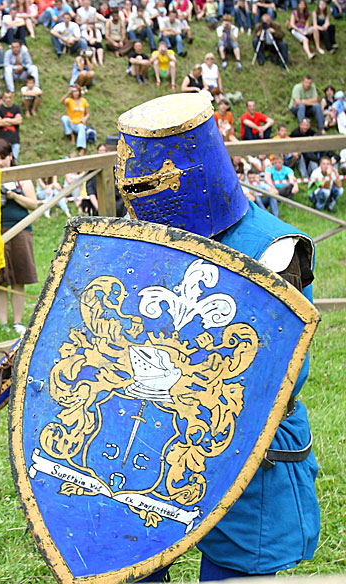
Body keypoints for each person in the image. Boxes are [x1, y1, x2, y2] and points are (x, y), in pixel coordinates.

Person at [117, 93, 318, 584]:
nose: (136, 198)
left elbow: (265, 377)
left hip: (246, 448)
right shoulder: (134, 239)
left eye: (150, 183)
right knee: (126, 566)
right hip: (146, 439)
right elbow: (72, 326)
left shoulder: (273, 252)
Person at [0, 138, 37, 336]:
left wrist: (13, 196)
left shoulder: (22, 177)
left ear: (11, 156)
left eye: (2, 158)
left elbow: (33, 203)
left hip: (21, 230)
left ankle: (17, 322)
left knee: (19, 277)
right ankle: (2, 324)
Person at [60, 85, 90, 155]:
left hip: (79, 123)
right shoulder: (69, 100)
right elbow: (62, 101)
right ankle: (71, 135)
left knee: (82, 127)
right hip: (71, 122)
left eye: (77, 91)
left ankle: (82, 147)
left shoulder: (83, 101)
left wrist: (85, 118)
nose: (76, 93)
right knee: (64, 118)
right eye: (74, 91)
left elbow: (87, 113)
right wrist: (67, 93)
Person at [0, 90, 23, 161]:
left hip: (15, 139)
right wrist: (13, 121)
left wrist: (6, 120)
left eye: (10, 97)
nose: (8, 99)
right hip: (4, 140)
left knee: (14, 161)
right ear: (3, 98)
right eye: (6, 97)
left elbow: (19, 120)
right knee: (5, 161)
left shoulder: (16, 108)